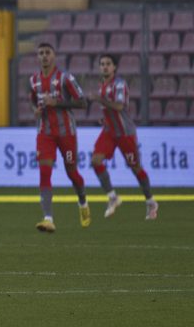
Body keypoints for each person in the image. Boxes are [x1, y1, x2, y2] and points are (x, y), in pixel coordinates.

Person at [29, 43, 90, 232]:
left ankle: (83, 202)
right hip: (45, 133)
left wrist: (56, 102)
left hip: (66, 133)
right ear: (38, 57)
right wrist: (36, 111)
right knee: (44, 172)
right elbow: (33, 101)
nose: (44, 56)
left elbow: (83, 102)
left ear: (54, 56)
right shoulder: (33, 81)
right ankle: (48, 218)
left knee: (72, 172)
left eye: (48, 53)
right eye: (41, 53)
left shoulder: (65, 78)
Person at [90, 54, 158, 220]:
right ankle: (113, 197)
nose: (104, 67)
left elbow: (119, 106)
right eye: (102, 64)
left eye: (108, 64)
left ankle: (150, 202)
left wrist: (101, 100)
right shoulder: (102, 86)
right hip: (109, 132)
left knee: (136, 168)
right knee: (95, 160)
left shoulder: (119, 84)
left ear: (114, 67)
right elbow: (110, 110)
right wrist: (104, 119)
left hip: (125, 133)